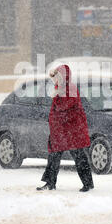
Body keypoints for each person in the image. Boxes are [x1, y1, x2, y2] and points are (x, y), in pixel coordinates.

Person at [37, 64, 94, 192]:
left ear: (62, 77)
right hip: (60, 131)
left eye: (56, 77)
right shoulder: (60, 88)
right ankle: (50, 183)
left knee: (79, 157)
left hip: (72, 131)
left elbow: (64, 108)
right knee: (54, 157)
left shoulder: (70, 89)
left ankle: (87, 184)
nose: (54, 80)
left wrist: (56, 97)